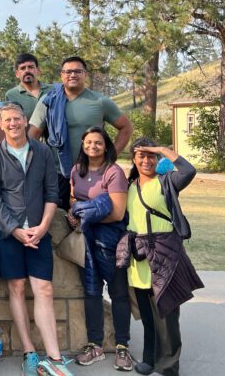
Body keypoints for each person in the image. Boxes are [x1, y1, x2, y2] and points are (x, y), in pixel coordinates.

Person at [0, 104, 72, 376]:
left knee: (43, 288)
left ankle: (55, 358)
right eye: (7, 120)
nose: (13, 124)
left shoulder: (42, 151)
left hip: (38, 231)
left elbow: (51, 193)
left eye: (17, 119)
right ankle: (29, 352)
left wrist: (44, 226)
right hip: (9, 234)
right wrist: (14, 229)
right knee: (18, 288)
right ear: (0, 124)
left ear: (25, 121)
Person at [116, 139, 204, 376]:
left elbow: (189, 170)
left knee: (167, 315)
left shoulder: (167, 182)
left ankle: (168, 366)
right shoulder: (129, 186)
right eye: (141, 156)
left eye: (151, 156)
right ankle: (149, 358)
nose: (146, 161)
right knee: (147, 316)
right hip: (139, 257)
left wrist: (162, 149)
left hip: (164, 255)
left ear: (157, 158)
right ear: (133, 159)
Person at [29, 56, 133, 211]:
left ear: (85, 74)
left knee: (90, 220)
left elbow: (126, 127)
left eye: (78, 71)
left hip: (92, 174)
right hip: (57, 174)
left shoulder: (100, 101)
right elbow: (32, 135)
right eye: (68, 71)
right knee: (57, 221)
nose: (72, 75)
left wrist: (110, 156)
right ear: (61, 75)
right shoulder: (48, 101)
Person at [67, 127, 132, 371]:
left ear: (106, 146)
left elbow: (116, 212)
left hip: (110, 238)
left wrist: (84, 214)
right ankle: (94, 345)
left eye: (98, 143)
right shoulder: (77, 170)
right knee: (91, 292)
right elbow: (73, 199)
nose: (93, 146)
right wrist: (77, 211)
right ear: (83, 145)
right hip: (86, 238)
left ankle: (122, 346)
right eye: (89, 142)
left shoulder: (114, 172)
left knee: (118, 292)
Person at [4, 53, 51, 118]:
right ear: (17, 74)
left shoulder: (52, 90)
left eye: (31, 67)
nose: (27, 71)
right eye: (22, 68)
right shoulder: (11, 95)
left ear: (38, 70)